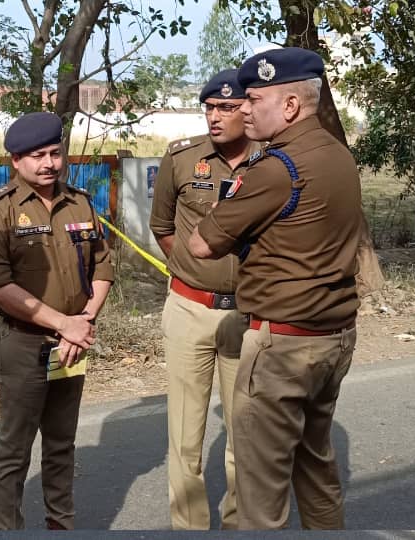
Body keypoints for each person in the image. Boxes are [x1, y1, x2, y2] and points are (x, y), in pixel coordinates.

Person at [188, 47, 361, 529]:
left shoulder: (275, 169)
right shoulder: (337, 154)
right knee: (316, 469)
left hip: (284, 346)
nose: (243, 108)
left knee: (260, 497)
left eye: (253, 100)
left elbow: (203, 244)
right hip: (333, 338)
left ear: (289, 106)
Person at [0, 112, 115, 530]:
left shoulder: (81, 202)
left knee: (61, 444)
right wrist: (62, 323)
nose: (49, 163)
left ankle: (61, 526)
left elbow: (102, 268)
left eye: (55, 153)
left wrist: (83, 321)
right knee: (14, 450)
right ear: (15, 160)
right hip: (24, 343)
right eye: (37, 156)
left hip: (73, 343)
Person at [148, 69, 258, 530]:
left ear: (248, 109)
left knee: (245, 435)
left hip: (250, 315)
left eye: (226, 108)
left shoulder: (274, 162)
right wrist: (192, 272)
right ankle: (189, 528)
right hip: (190, 310)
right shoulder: (182, 158)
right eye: (209, 108)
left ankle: (236, 525)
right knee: (185, 436)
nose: (215, 117)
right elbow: (163, 227)